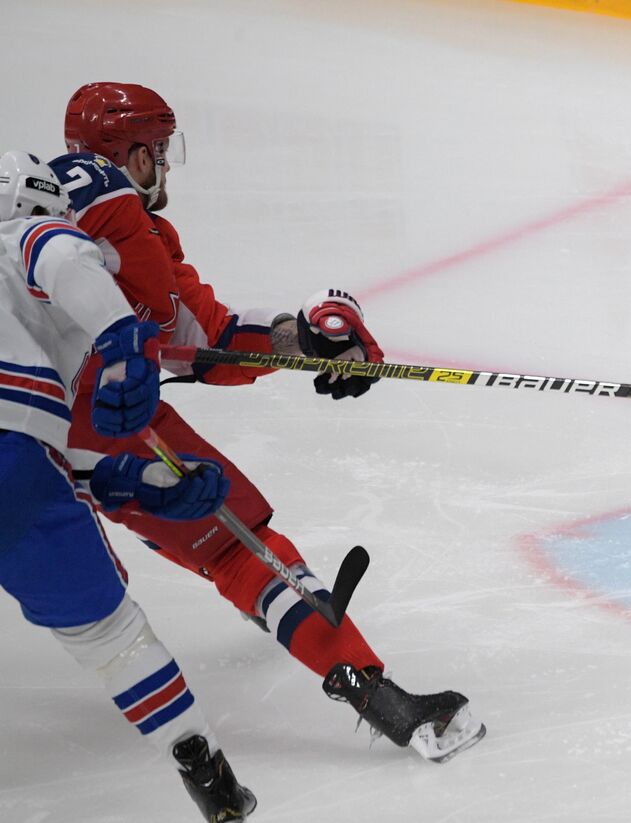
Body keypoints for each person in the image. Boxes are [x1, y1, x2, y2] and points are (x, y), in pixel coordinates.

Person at [50, 82, 483, 760]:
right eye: (158, 151)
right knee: (230, 539)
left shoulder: (29, 200)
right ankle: (372, 690)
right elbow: (198, 342)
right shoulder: (125, 216)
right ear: (131, 156)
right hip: (80, 408)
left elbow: (207, 335)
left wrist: (300, 339)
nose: (163, 167)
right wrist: (309, 341)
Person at [0, 150, 254, 823]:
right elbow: (60, 256)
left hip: (21, 464)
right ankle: (198, 757)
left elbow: (70, 468)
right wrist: (121, 340)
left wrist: (144, 487)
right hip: (13, 468)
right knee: (109, 636)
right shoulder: (24, 238)